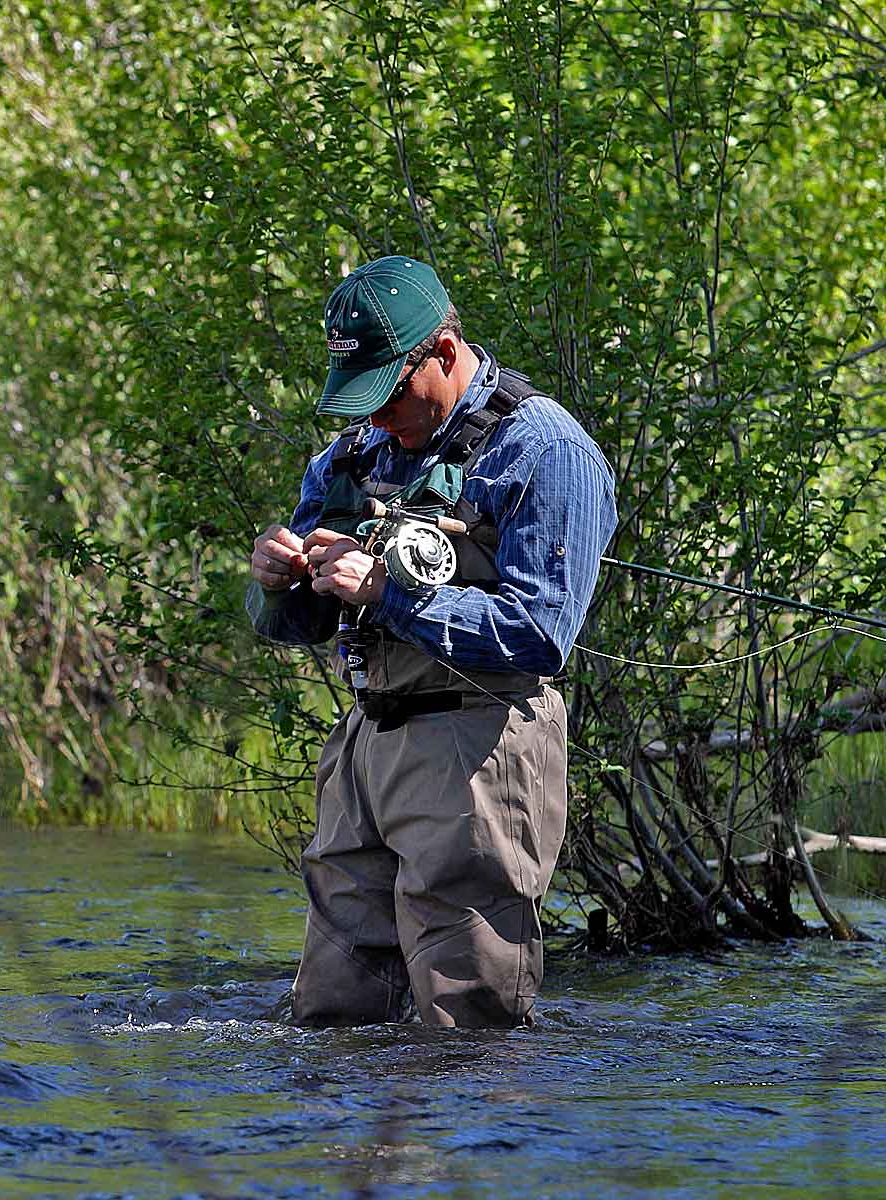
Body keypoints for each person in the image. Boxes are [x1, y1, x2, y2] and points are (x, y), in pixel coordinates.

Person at [247, 255, 616, 1028]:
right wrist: (276, 583)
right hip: (364, 751)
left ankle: (474, 1151)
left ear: (444, 353)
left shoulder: (546, 451)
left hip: (479, 752)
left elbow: (540, 636)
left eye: (390, 394)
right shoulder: (354, 456)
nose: (376, 417)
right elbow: (293, 625)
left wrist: (387, 591)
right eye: (362, 399)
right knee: (333, 1019)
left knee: (467, 1023)